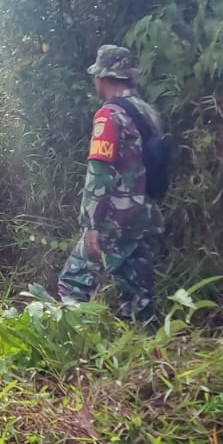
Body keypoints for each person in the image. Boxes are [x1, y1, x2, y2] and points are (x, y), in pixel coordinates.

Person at [57, 45, 164, 327]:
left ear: (103, 77)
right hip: (145, 215)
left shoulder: (109, 115)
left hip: (115, 220)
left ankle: (75, 347)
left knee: (73, 284)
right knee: (139, 296)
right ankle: (148, 352)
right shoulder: (148, 112)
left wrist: (91, 224)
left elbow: (100, 172)